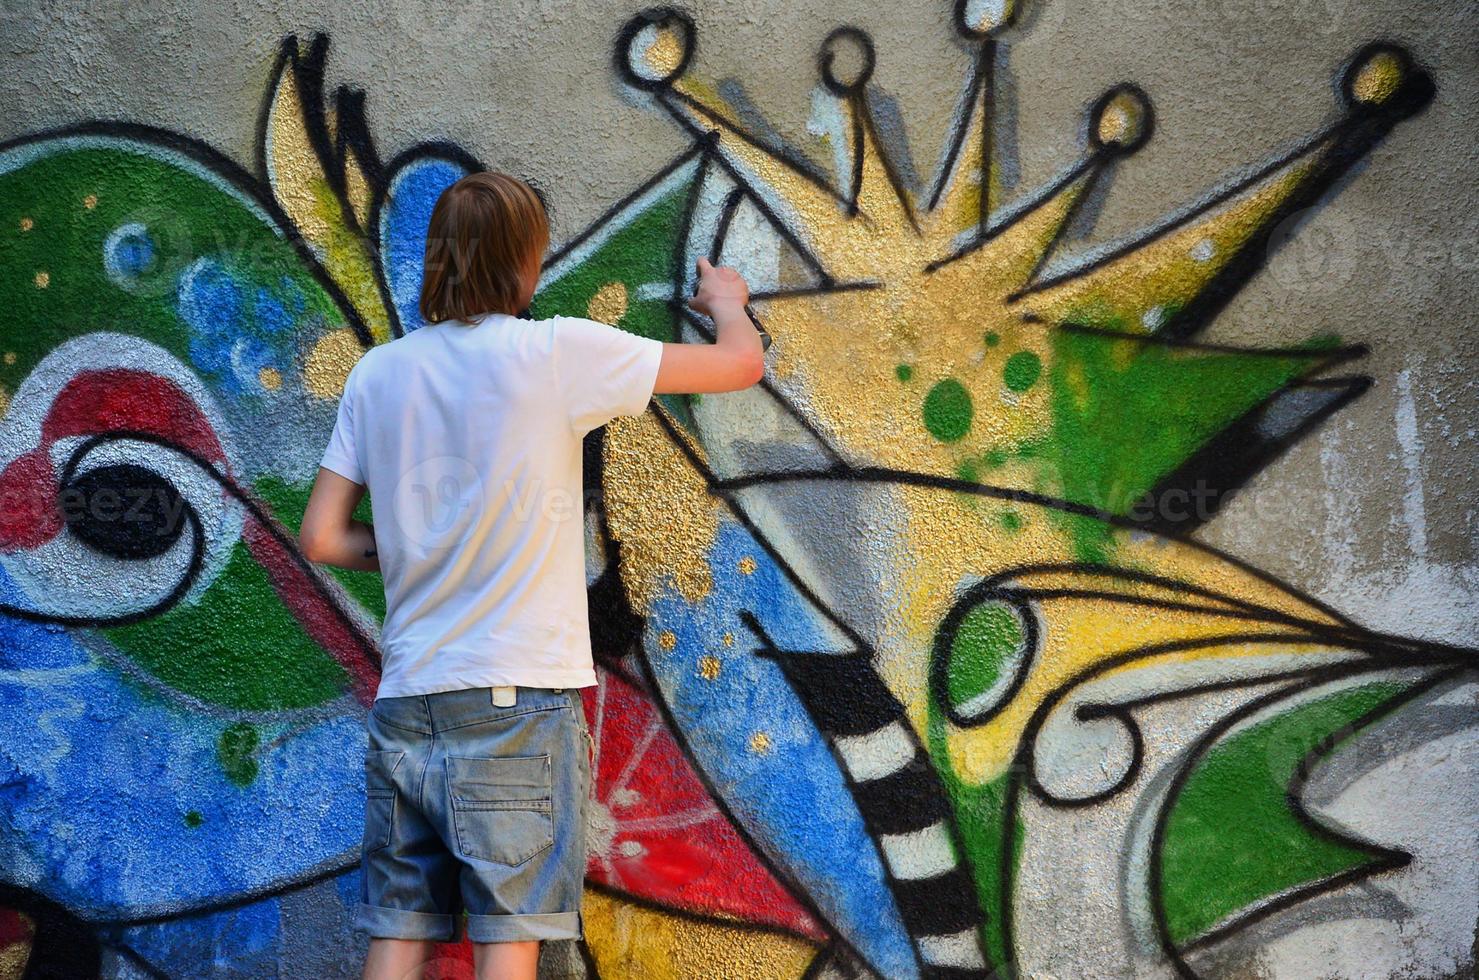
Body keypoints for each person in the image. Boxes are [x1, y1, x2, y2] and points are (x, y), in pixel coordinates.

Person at [298, 171, 765, 980]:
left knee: (398, 933)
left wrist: (413, 548)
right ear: (527, 263)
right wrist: (726, 300)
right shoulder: (554, 352)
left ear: (437, 259)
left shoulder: (379, 373)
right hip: (514, 702)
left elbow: (323, 536)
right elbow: (736, 366)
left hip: (410, 695)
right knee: (506, 940)